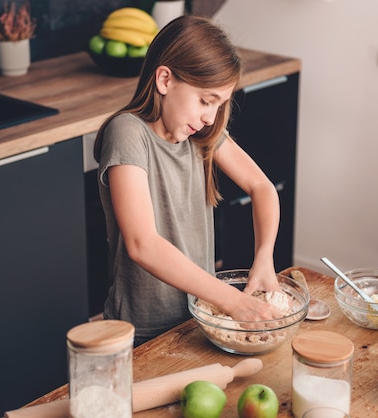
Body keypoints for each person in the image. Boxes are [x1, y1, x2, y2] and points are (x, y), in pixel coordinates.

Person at [94, 14, 283, 346]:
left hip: (198, 319)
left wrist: (264, 256)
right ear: (165, 80)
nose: (210, 117)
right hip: (143, 331)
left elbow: (261, 187)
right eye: (205, 101)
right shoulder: (126, 133)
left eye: (219, 105)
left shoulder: (202, 133)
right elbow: (142, 244)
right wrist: (233, 300)